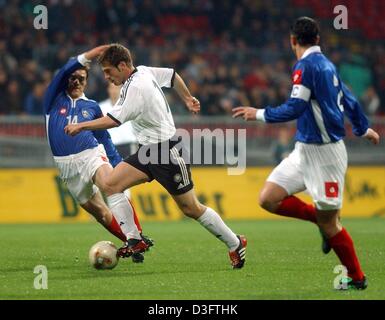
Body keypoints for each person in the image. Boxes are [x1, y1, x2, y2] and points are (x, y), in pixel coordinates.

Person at [65, 43, 247, 269]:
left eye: (108, 71)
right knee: (111, 185)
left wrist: (81, 126)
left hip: (167, 153)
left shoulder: (136, 88)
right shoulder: (143, 71)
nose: (107, 77)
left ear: (122, 66)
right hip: (147, 152)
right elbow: (172, 76)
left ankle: (235, 242)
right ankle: (134, 239)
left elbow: (113, 120)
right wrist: (187, 97)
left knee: (191, 208)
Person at [233, 17, 380, 289]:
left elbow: (295, 107)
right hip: (304, 151)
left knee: (331, 227)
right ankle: (319, 218)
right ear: (318, 39)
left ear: (292, 41)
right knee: (268, 198)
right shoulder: (326, 65)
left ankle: (357, 278)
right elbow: (349, 98)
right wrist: (362, 129)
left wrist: (259, 114)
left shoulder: (306, 66)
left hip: (327, 157)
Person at [44, 45, 152, 263]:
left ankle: (136, 236)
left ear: (86, 82)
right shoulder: (52, 101)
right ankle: (134, 243)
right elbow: (65, 69)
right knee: (101, 214)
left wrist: (117, 163)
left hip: (91, 154)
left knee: (110, 183)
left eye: (81, 79)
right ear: (66, 79)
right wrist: (89, 55)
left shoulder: (92, 107)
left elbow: (104, 139)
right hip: (66, 167)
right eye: (72, 77)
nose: (75, 81)